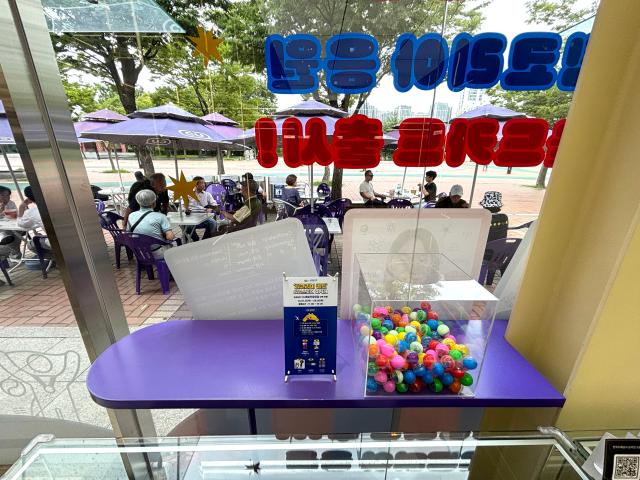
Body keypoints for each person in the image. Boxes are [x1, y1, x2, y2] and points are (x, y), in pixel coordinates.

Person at [126, 189, 175, 258]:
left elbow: (129, 233)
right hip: (158, 253)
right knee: (174, 243)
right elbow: (170, 237)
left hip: (140, 253)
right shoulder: (161, 216)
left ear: (138, 202)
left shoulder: (131, 215)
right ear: (154, 202)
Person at [17, 186, 52, 251]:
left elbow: (21, 224)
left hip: (56, 243)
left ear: (29, 199)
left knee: (30, 244)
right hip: (73, 238)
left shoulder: (32, 212)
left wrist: (21, 207)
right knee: (40, 236)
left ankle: (54, 257)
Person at [186, 176, 218, 241]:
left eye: (204, 183)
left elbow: (214, 204)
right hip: (192, 217)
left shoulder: (207, 194)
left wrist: (210, 208)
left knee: (213, 223)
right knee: (187, 227)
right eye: (201, 183)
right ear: (195, 185)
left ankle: (205, 240)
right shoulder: (188, 195)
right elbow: (181, 207)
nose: (204, 184)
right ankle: (196, 239)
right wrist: (186, 209)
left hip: (204, 217)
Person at [0, 186, 21, 261]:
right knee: (9, 233)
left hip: (10, 225)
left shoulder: (11, 203)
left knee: (17, 231)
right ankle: (14, 253)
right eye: (2, 195)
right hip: (2, 229)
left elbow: (14, 216)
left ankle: (15, 253)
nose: (6, 197)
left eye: (8, 195)